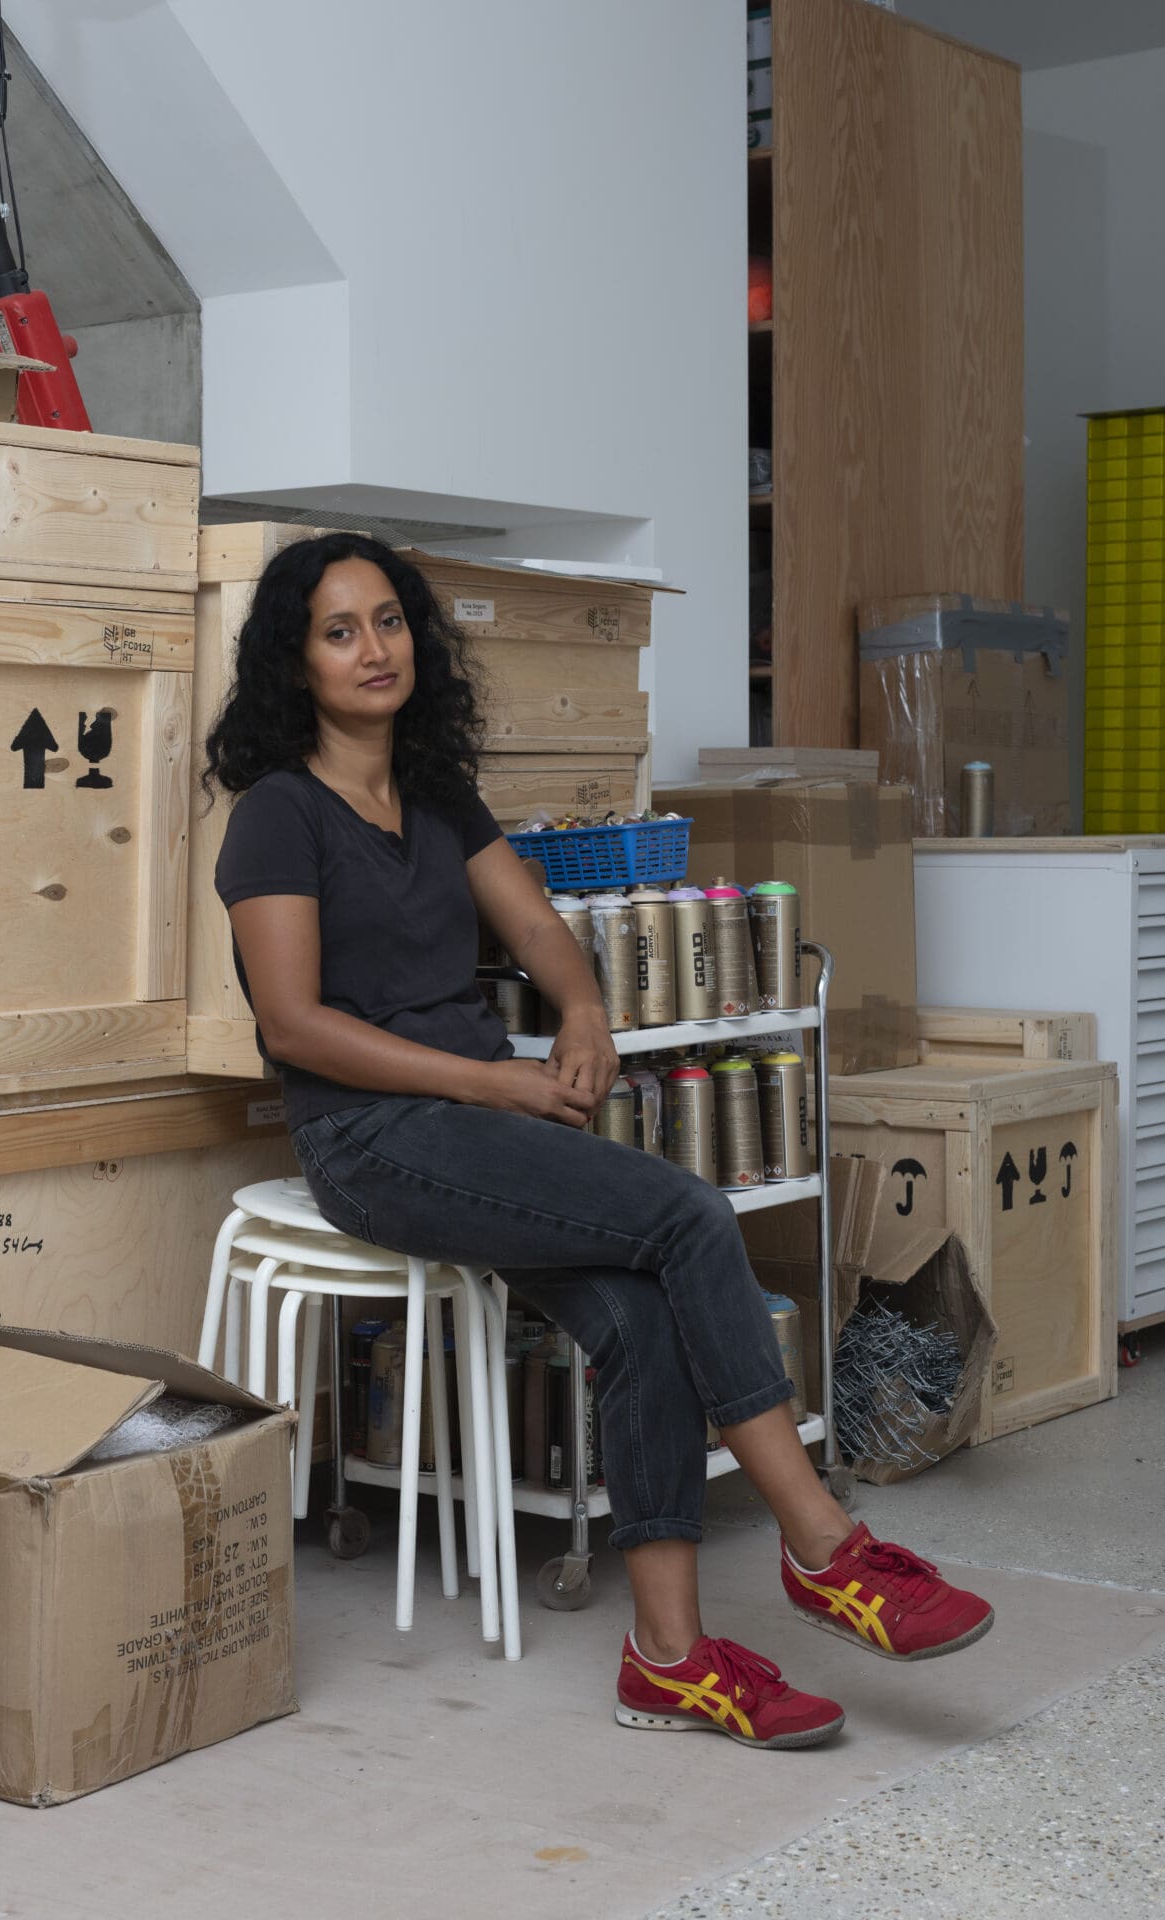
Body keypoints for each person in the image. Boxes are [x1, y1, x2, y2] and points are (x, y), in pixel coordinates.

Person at [206, 531, 992, 1752]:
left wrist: (578, 1011)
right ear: (293, 664)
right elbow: (297, 1025)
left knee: (638, 1317)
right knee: (684, 1214)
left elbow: (538, 927)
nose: (375, 650)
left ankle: (668, 1660)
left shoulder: (435, 798)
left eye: (390, 622)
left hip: (468, 1120)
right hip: (372, 1137)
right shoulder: (277, 815)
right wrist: (492, 1081)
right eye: (339, 630)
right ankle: (826, 1547)